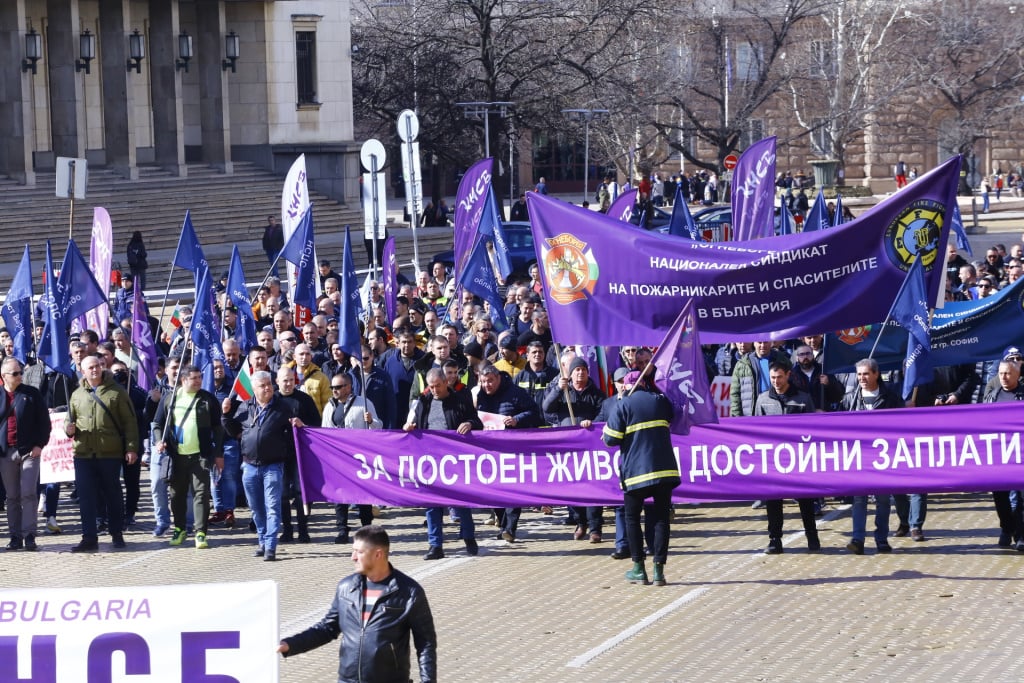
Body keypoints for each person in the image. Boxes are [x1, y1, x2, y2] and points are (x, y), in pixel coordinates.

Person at [277, 525, 437, 683]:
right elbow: (326, 629)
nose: (353, 557)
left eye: (359, 552)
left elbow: (426, 643)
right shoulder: (346, 588)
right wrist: (290, 645)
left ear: (378, 554)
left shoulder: (409, 592)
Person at [602, 370, 679, 586]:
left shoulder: (623, 406)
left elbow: (610, 440)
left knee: (632, 519)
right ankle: (659, 571)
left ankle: (638, 569)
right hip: (664, 471)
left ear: (626, 386)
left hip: (636, 473)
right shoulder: (661, 402)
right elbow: (674, 417)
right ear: (644, 383)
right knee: (662, 519)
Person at [223, 370, 305, 561]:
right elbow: (233, 430)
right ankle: (262, 540)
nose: (267, 388)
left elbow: (295, 433)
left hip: (273, 466)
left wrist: (300, 425)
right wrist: (226, 416)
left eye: (269, 384)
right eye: (262, 385)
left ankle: (270, 546)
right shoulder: (245, 407)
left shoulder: (282, 408)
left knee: (273, 507)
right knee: (256, 507)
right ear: (253, 389)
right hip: (250, 466)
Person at [403, 368, 481, 560]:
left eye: (438, 386)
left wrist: (470, 424)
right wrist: (409, 427)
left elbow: (477, 422)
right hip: (430, 460)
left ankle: (469, 538)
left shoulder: (460, 400)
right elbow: (413, 423)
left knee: (460, 502)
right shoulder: (423, 402)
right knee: (431, 504)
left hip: (454, 460)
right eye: (431, 387)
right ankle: (435, 545)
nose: (435, 390)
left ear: (446, 382)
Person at [64, 355, 140, 552]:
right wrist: (68, 429)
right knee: (86, 497)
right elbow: (68, 420)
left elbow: (130, 422)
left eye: (97, 366)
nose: (95, 370)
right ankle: (89, 537)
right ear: (83, 370)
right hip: (83, 454)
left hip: (110, 453)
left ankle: (116, 532)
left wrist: (131, 448)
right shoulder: (77, 394)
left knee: (113, 494)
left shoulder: (117, 392)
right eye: (90, 367)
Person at [152, 364, 224, 549]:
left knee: (201, 493)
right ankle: (180, 529)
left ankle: (200, 532)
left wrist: (218, 454)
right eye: (194, 378)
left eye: (200, 377)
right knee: (177, 494)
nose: (199, 380)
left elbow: (218, 428)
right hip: (176, 456)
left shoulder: (207, 399)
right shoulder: (170, 398)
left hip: (200, 455)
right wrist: (159, 441)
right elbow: (157, 423)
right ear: (183, 380)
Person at [753, 363, 819, 554]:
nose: (776, 382)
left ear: (788, 375)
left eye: (780, 377)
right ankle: (775, 540)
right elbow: (756, 430)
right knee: (773, 502)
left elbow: (812, 429)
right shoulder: (763, 399)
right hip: (773, 460)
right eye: (773, 378)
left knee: (806, 501)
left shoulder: (803, 399)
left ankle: (812, 537)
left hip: (798, 460)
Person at [840, 358, 904, 554]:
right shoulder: (850, 399)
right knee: (859, 500)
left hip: (883, 458)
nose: (862, 378)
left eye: (866, 374)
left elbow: (901, 425)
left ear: (876, 374)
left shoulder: (891, 398)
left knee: (883, 500)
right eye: (859, 374)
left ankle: (881, 539)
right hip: (859, 457)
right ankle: (857, 538)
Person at [475, 364, 542, 542]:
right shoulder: (481, 395)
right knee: (493, 491)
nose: (487, 385)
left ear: (498, 378)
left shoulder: (515, 392)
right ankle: (503, 524)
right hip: (490, 451)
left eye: (490, 381)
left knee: (512, 489)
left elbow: (535, 412)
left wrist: (516, 420)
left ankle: (510, 529)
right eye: (483, 381)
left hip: (513, 450)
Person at [323, 372, 381, 544]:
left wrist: (371, 421)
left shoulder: (363, 403)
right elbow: (324, 431)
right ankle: (342, 529)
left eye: (338, 387)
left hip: (359, 458)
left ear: (348, 387)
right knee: (340, 496)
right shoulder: (329, 407)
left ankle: (366, 528)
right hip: (338, 459)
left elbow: (379, 428)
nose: (334, 390)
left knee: (362, 494)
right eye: (332, 387)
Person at [0, 358, 51, 551]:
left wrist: (39, 444)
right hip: (5, 452)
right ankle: (15, 537)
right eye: (15, 373)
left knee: (28, 493)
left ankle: (29, 535)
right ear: (4, 376)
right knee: (12, 496)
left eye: (20, 372)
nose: (20, 376)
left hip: (29, 451)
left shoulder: (31, 394)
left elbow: (44, 422)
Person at [980, 359, 1024, 551]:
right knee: (1000, 497)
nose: (1003, 377)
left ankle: (1021, 536)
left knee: (1021, 498)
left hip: (1020, 455)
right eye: (1001, 374)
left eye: (1007, 374)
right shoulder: (992, 396)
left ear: (1017, 375)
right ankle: (1007, 528)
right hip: (998, 455)